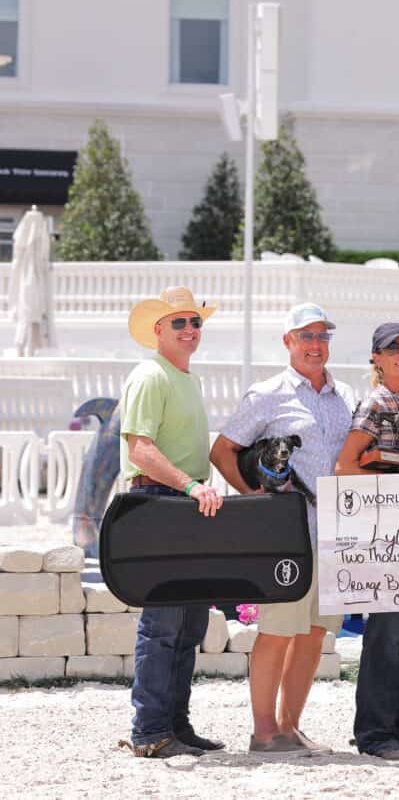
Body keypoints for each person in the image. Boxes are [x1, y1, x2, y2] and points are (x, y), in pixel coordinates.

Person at [210, 303, 356, 756]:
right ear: (287, 342)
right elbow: (222, 451)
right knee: (277, 632)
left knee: (314, 635)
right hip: (288, 536)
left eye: (322, 335)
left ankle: (290, 727)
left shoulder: (346, 396)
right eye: (305, 335)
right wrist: (254, 500)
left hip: (335, 534)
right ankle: (262, 732)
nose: (315, 344)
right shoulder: (267, 394)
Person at [118, 286, 224, 759]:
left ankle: (174, 726)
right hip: (163, 502)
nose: (189, 330)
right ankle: (149, 730)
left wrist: (193, 489)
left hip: (185, 502)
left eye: (194, 322)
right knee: (163, 624)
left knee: (188, 624)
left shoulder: (187, 379)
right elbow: (139, 449)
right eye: (179, 322)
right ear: (158, 331)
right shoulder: (150, 375)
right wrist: (190, 485)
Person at [334, 322, 399, 761]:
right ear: (376, 358)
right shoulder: (375, 403)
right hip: (383, 538)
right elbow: (344, 469)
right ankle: (374, 731)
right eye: (392, 347)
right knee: (385, 634)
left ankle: (393, 725)